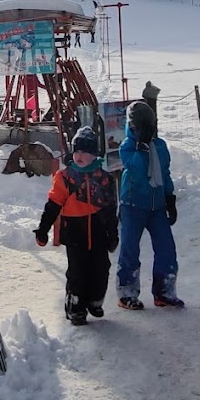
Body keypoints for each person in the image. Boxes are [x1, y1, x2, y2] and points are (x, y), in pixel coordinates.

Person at [34, 126, 119, 326]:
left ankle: (94, 301)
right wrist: (43, 229)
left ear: (94, 155)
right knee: (77, 272)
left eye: (86, 152)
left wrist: (113, 234)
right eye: (77, 151)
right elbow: (53, 204)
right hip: (75, 233)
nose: (80, 155)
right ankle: (75, 308)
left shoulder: (104, 179)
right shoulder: (66, 178)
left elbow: (110, 210)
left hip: (98, 233)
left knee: (101, 269)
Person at [116, 100, 181, 309]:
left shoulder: (160, 146)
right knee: (130, 249)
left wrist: (170, 197)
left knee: (166, 249)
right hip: (132, 205)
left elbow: (165, 172)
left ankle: (164, 290)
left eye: (149, 125)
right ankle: (127, 292)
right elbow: (134, 169)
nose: (145, 129)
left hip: (157, 206)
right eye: (140, 126)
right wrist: (140, 146)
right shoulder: (127, 146)